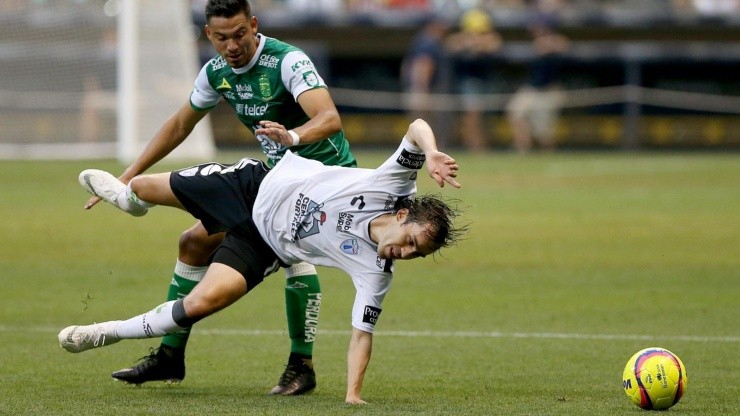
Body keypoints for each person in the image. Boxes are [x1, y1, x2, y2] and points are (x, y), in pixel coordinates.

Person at [61, 118, 465, 405]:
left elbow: (362, 334)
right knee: (142, 187)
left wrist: (352, 394)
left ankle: (104, 332)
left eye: (417, 255)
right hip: (253, 187)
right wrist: (430, 153)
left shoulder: (376, 273)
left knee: (202, 304)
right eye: (411, 241)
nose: (406, 253)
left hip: (266, 242)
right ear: (401, 216)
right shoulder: (393, 184)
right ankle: (129, 203)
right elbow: (416, 126)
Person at [81, 0, 356, 395]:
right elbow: (179, 124)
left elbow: (329, 119)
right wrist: (127, 175)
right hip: (275, 183)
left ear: (254, 26)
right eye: (222, 37)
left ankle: (301, 364)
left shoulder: (287, 61)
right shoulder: (216, 72)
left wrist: (292, 138)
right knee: (192, 242)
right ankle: (170, 355)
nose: (232, 46)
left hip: (325, 183)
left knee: (294, 257)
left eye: (240, 34)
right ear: (209, 35)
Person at [506, 13, 569, 153]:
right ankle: (523, 148)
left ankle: (548, 153)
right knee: (516, 112)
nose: (534, 28)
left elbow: (562, 46)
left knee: (543, 132)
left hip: (549, 89)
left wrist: (550, 45)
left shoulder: (557, 41)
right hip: (531, 88)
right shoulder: (534, 43)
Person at [444, 8, 502, 150]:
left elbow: (494, 45)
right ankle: (475, 148)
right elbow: (449, 45)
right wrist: (468, 43)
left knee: (486, 118)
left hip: (486, 82)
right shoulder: (459, 39)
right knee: (471, 116)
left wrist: (479, 43)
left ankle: (484, 146)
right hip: (468, 83)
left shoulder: (491, 39)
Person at [400, 15, 452, 145]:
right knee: (428, 129)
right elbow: (423, 65)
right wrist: (421, 90)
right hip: (426, 92)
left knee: (423, 130)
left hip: (419, 90)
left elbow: (406, 67)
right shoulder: (428, 42)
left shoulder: (422, 41)